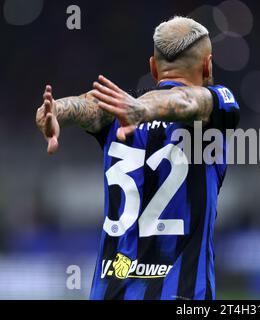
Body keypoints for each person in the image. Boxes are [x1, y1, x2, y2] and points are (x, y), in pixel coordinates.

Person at [35, 16, 240, 300]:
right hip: (182, 296)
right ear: (207, 66)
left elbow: (76, 106)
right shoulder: (218, 103)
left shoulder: (116, 111)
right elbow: (191, 101)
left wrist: (52, 113)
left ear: (153, 68)